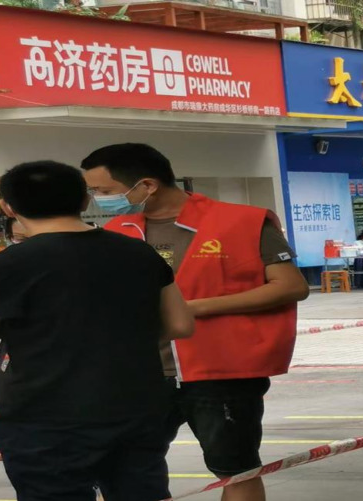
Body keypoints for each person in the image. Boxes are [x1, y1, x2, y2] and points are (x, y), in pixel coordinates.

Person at [0, 161, 195, 501]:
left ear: (8, 207)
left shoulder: (9, 264)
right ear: (85, 201)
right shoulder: (139, 252)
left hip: (45, 418)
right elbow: (180, 324)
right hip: (135, 408)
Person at [81, 143, 309, 501]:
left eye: (105, 191)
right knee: (124, 468)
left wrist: (194, 308)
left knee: (236, 469)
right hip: (139, 374)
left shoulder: (243, 222)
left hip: (221, 372)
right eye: (93, 191)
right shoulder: (116, 231)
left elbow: (291, 286)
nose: (97, 199)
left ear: (147, 185)